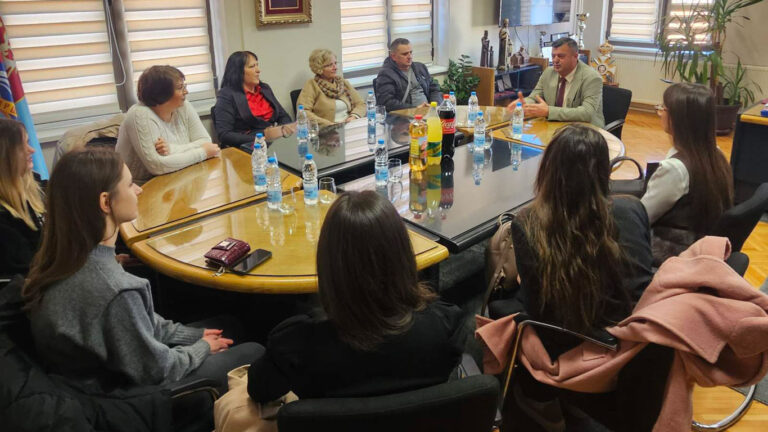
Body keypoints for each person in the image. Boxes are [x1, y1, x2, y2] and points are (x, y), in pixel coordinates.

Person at [24, 149, 263, 394]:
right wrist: (201, 348)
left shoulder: (61, 258)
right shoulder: (115, 289)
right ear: (106, 202)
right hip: (128, 397)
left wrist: (191, 336)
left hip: (94, 377)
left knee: (230, 325)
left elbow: (140, 326)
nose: (138, 190)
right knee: (255, 351)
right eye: (130, 185)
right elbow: (157, 370)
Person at [489, 124, 665, 431]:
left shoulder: (528, 223)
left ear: (548, 169)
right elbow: (640, 280)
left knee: (502, 304)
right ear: (604, 171)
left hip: (568, 348)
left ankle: (538, 398)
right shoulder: (632, 209)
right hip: (634, 349)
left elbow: (538, 311)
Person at [246, 190, 465, 402]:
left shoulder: (295, 346)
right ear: (402, 255)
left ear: (329, 264)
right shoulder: (446, 327)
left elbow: (259, 391)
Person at [642, 83, 733, 264]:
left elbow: (641, 216)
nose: (660, 113)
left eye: (663, 109)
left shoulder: (675, 169)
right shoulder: (716, 154)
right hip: (703, 246)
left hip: (672, 254)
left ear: (677, 119)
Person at [116, 65, 220, 185]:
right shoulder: (139, 114)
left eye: (184, 86)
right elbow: (158, 166)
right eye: (180, 88)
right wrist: (203, 153)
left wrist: (172, 149)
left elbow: (205, 141)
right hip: (139, 186)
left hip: (179, 176)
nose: (186, 91)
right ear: (161, 93)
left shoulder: (184, 106)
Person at [507, 37, 604, 128]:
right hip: (555, 127)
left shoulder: (592, 78)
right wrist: (524, 103)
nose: (555, 60)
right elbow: (534, 98)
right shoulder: (548, 73)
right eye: (553, 56)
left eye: (561, 56)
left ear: (575, 56)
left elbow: (587, 113)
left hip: (585, 131)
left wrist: (549, 111)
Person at [213, 51, 296, 148]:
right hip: (249, 146)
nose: (258, 70)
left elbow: (284, 116)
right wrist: (263, 136)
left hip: (274, 143)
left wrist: (282, 129)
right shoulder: (227, 94)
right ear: (239, 72)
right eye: (252, 66)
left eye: (257, 65)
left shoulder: (264, 88)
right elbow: (224, 135)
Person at [0, 119, 45, 277]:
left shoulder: (35, 185)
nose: (31, 150)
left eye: (28, 142)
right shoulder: (3, 221)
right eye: (21, 146)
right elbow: (27, 272)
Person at [296, 49, 365, 126]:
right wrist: (330, 125)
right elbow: (304, 112)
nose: (335, 67)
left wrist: (353, 117)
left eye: (335, 63)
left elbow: (361, 104)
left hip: (348, 125)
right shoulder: (311, 85)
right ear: (319, 68)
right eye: (330, 65)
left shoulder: (342, 82)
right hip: (326, 128)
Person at [375, 38, 442, 112]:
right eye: (405, 54)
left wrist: (434, 104)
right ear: (393, 57)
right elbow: (386, 102)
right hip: (404, 115)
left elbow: (434, 89)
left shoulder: (420, 67)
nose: (410, 57)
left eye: (411, 52)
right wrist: (414, 109)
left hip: (428, 112)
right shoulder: (386, 74)